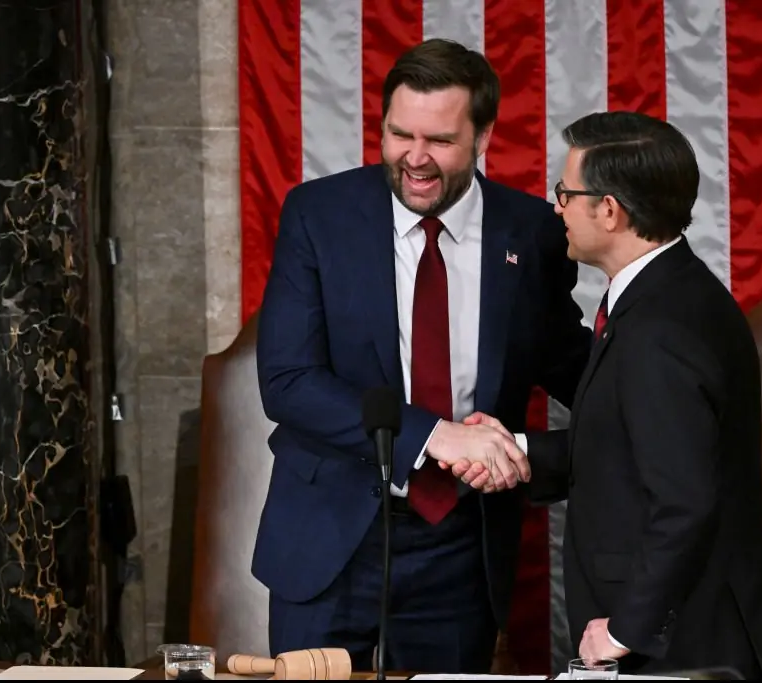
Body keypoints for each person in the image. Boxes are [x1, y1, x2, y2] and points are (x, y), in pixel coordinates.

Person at [252, 38, 592, 674]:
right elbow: (289, 381)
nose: (415, 158)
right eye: (399, 134)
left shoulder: (533, 232)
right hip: (330, 535)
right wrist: (436, 436)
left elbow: (576, 368)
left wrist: (667, 393)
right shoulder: (319, 216)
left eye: (438, 140)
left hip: (460, 546)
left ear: (483, 135)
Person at [449, 111, 762, 679]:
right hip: (684, 631)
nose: (556, 208)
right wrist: (519, 450)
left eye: (565, 193)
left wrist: (625, 628)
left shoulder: (662, 328)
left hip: (686, 646)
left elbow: (684, 500)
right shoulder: (667, 296)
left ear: (608, 210)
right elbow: (640, 451)